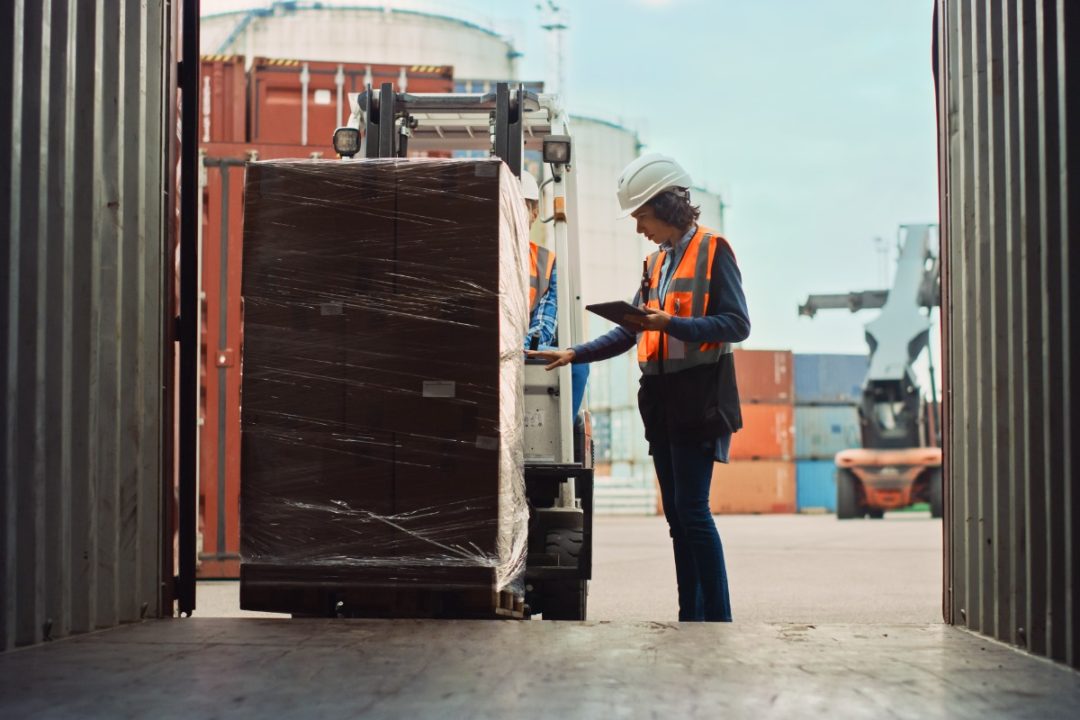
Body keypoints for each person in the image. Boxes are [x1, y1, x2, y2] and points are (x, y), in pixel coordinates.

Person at [528, 153, 749, 622]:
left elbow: (737, 324)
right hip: (663, 403)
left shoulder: (715, 251)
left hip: (699, 397)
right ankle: (692, 617)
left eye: (641, 217)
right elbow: (630, 331)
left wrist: (672, 323)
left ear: (665, 207)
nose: (637, 229)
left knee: (693, 512)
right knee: (677, 520)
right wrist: (573, 353)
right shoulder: (654, 265)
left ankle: (719, 619)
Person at [520, 171, 589, 421]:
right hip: (485, 351)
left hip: (525, 349)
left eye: (520, 208)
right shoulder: (478, 256)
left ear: (534, 214)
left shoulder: (546, 262)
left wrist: (519, 349)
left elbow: (544, 323)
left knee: (577, 366)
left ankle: (562, 436)